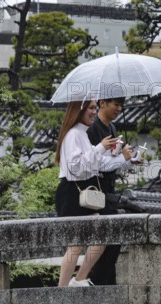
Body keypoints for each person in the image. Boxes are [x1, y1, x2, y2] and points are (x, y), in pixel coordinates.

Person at [54, 99, 135, 287]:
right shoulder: (74, 134)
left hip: (80, 191)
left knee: (103, 233)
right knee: (76, 245)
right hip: (71, 192)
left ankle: (79, 279)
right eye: (90, 108)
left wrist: (124, 159)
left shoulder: (81, 134)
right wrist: (100, 148)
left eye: (94, 108)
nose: (93, 112)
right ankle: (62, 289)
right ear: (79, 110)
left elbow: (98, 165)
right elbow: (77, 168)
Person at [86, 96, 131, 285]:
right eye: (116, 104)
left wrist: (130, 158)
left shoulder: (111, 129)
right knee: (108, 237)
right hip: (94, 190)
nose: (119, 109)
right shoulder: (93, 128)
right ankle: (95, 281)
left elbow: (114, 161)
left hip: (109, 189)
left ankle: (104, 283)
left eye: (121, 105)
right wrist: (123, 159)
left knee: (113, 239)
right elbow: (97, 163)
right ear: (102, 103)